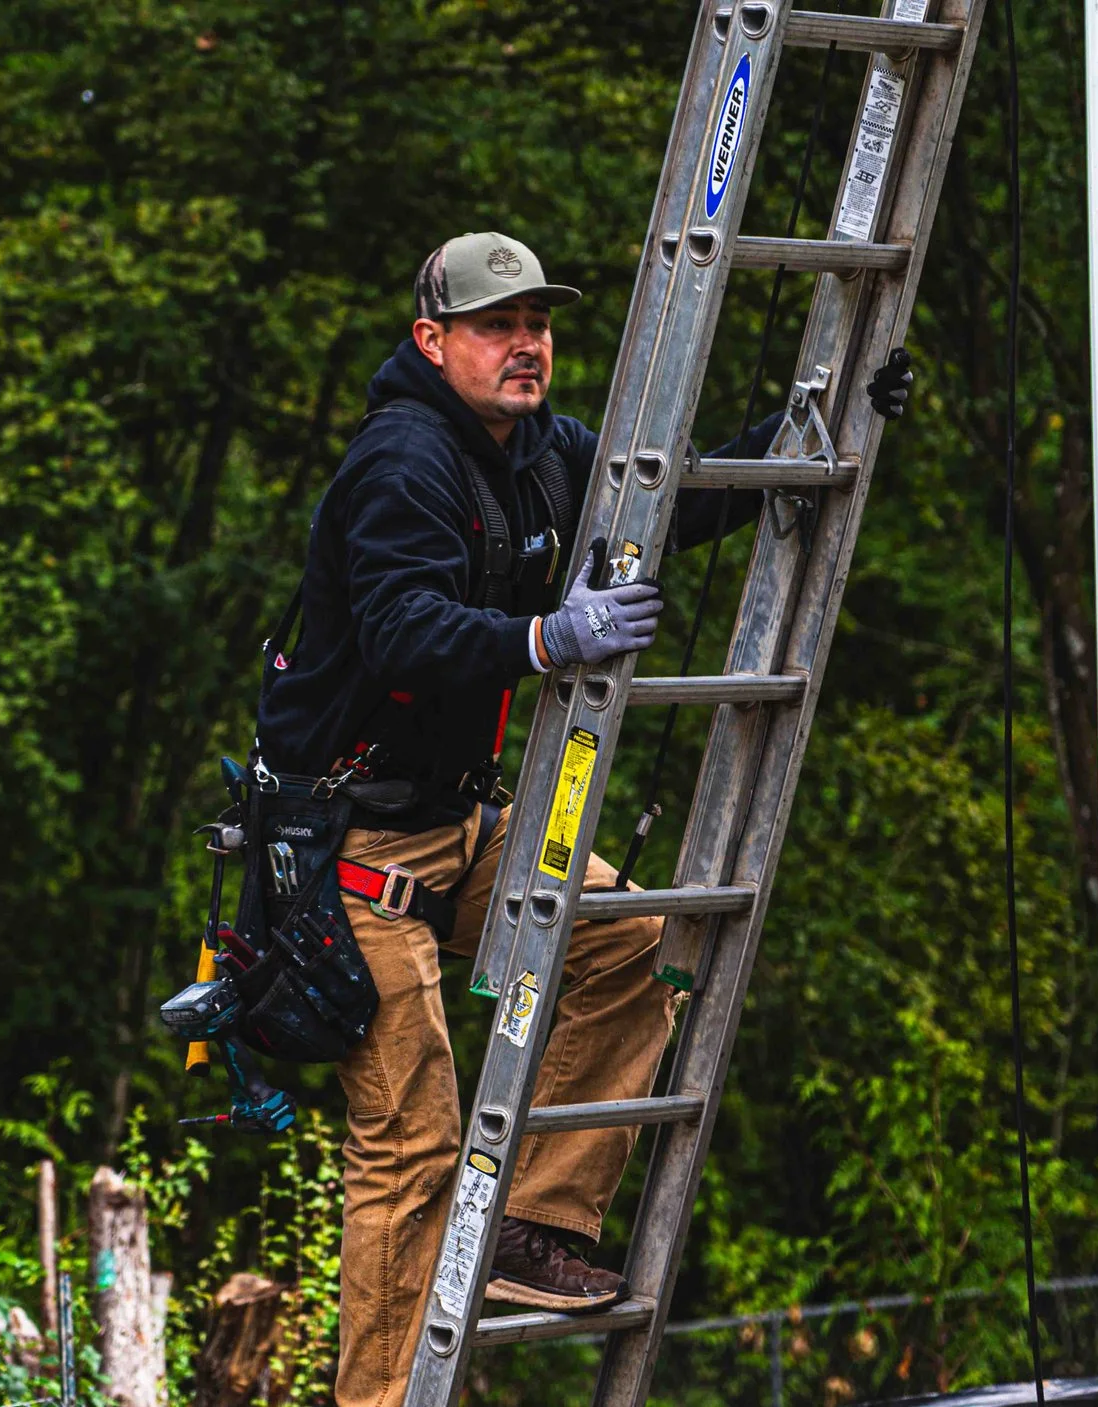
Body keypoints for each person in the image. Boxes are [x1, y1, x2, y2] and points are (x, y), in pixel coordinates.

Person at [254, 231, 911, 1407]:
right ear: (433, 340)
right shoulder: (401, 463)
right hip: (351, 852)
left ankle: (531, 1223)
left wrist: (825, 428)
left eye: (538, 325)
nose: (527, 345)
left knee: (630, 938)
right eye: (499, 326)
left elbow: (669, 503)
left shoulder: (540, 452)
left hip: (461, 824)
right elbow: (404, 629)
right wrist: (545, 640)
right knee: (407, 1149)